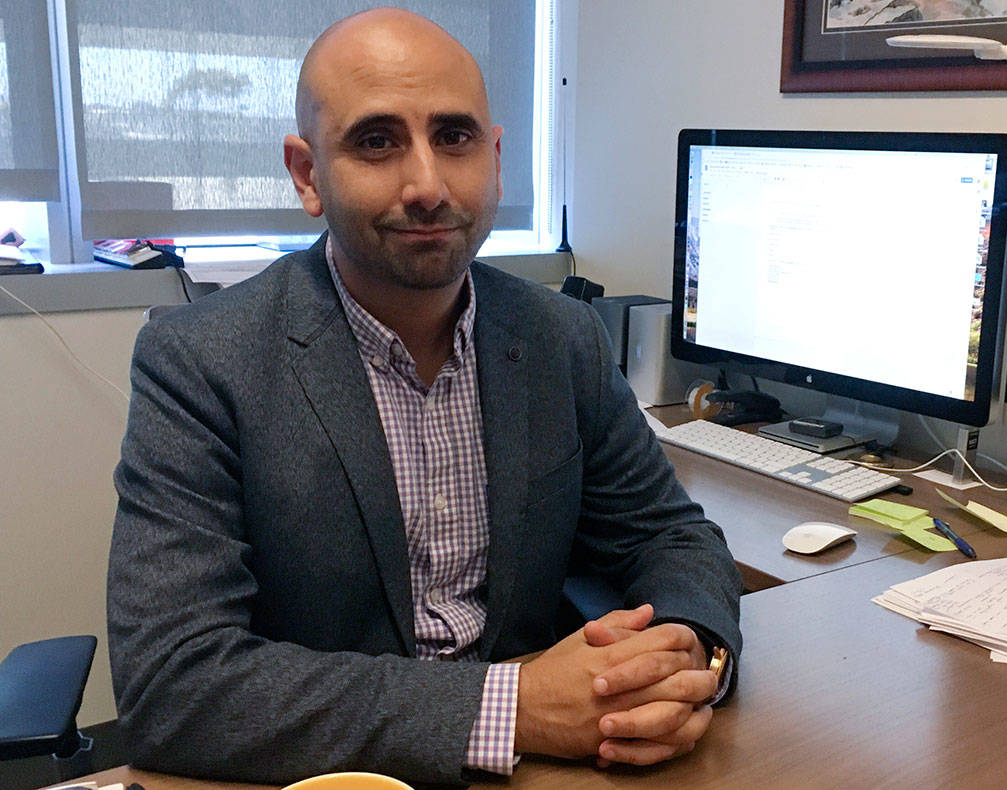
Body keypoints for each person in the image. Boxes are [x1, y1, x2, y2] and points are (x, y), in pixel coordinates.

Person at [107, 8, 741, 786]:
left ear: (497, 158)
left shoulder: (561, 337)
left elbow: (669, 536)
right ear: (308, 174)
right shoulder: (201, 361)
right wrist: (515, 704)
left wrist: (686, 657)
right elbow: (172, 683)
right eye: (376, 141)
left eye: (455, 137)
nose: (428, 186)